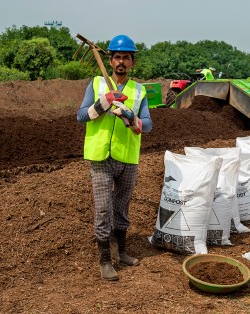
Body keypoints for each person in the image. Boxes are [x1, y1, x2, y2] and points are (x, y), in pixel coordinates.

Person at [77, 34, 153, 281]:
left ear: (133, 62)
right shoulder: (97, 83)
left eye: (126, 58)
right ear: (110, 61)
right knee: (103, 209)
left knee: (121, 206)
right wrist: (104, 103)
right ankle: (105, 260)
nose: (121, 61)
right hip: (101, 156)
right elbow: (81, 116)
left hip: (128, 156)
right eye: (117, 57)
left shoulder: (139, 90)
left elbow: (148, 124)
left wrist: (132, 118)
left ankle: (121, 252)